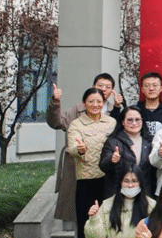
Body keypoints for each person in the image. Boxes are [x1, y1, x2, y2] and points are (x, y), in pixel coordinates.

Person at [49, 74, 120, 224]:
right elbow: (57, 123)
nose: (104, 89)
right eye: (100, 85)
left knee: (106, 218)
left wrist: (118, 107)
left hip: (106, 174)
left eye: (108, 87)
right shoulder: (78, 110)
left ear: (112, 91)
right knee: (82, 216)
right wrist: (55, 102)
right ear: (93, 87)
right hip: (80, 170)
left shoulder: (114, 112)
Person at [67, 87, 117, 238]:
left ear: (104, 103)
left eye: (99, 101)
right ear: (84, 103)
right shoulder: (76, 124)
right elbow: (72, 147)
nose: (95, 105)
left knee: (107, 228)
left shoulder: (111, 122)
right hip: (86, 182)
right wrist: (79, 149)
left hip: (107, 181)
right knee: (86, 229)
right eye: (91, 101)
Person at [99, 106, 154, 197]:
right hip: (117, 194)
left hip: (143, 194)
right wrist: (111, 160)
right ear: (122, 122)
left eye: (137, 120)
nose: (134, 123)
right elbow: (103, 166)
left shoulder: (149, 142)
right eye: (129, 120)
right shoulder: (113, 141)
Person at [136, 72, 162, 139]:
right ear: (142, 89)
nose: (151, 89)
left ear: (161, 88)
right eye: (147, 85)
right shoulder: (136, 111)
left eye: (154, 85)